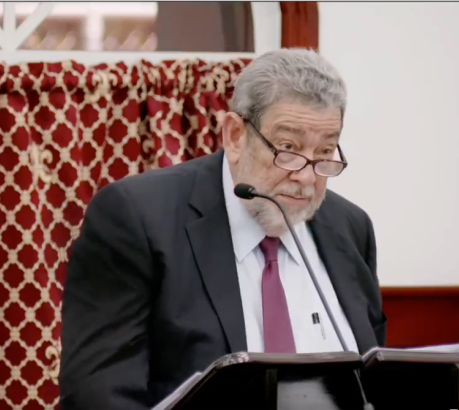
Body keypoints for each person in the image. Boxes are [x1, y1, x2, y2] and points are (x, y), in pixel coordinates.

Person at [59, 48, 387, 410]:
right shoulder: (137, 218)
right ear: (235, 136)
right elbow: (99, 396)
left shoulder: (350, 229)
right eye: (288, 148)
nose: (307, 178)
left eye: (324, 152)